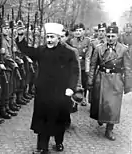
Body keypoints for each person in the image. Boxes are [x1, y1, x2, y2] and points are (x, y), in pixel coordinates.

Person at [16, 23, 79, 153]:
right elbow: (28, 50)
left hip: (60, 93)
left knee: (59, 120)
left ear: (58, 38)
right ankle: (42, 147)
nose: (49, 40)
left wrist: (71, 88)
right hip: (43, 92)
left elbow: (74, 72)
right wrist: (21, 37)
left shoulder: (68, 53)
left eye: (52, 37)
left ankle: (58, 142)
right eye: (47, 37)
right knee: (42, 120)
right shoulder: (41, 50)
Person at [88, 25, 132, 141]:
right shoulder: (99, 48)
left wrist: (128, 85)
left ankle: (109, 129)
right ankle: (101, 117)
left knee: (113, 107)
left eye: (113, 36)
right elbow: (93, 65)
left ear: (117, 36)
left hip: (116, 80)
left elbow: (128, 68)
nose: (110, 38)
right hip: (101, 78)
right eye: (108, 36)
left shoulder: (123, 49)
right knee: (100, 102)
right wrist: (90, 81)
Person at [70, 23, 91, 106]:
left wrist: (87, 68)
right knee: (74, 81)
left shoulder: (88, 40)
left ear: (84, 31)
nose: (78, 32)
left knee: (84, 82)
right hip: (75, 64)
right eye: (76, 31)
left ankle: (84, 98)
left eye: (80, 30)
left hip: (83, 64)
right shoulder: (72, 41)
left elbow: (88, 54)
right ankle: (74, 98)